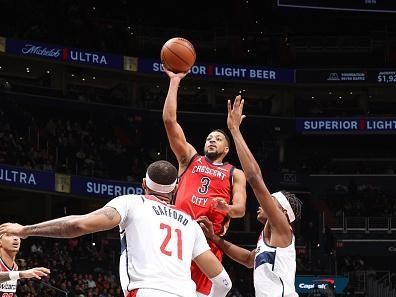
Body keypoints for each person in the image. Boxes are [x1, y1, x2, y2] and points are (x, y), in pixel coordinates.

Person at [0, 161, 232, 297]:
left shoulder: (132, 202)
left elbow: (78, 225)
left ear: (143, 184)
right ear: (175, 189)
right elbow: (224, 282)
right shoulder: (190, 224)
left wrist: (25, 230)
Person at [199, 96, 302, 297]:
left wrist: (235, 130)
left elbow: (254, 178)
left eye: (270, 201)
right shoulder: (271, 240)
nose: (262, 203)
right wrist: (214, 238)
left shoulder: (282, 228)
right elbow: (248, 259)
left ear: (281, 210)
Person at [162, 68, 247, 297]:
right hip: (177, 237)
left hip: (207, 243)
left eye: (218, 138)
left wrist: (226, 208)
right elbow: (170, 121)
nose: (212, 140)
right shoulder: (190, 158)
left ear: (226, 149)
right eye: (209, 137)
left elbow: (240, 210)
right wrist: (174, 81)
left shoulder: (234, 173)